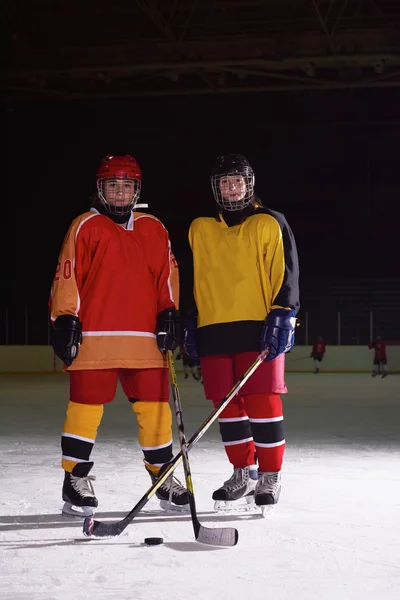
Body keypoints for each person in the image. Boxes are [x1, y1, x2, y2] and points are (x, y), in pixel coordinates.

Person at [49, 154, 188, 516]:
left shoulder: (154, 227)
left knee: (156, 410)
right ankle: (75, 478)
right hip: (95, 337)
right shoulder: (85, 225)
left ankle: (162, 479)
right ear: (101, 189)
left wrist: (169, 312)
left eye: (127, 186)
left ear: (136, 190)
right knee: (86, 407)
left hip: (144, 338)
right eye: (113, 185)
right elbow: (68, 273)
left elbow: (166, 278)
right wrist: (65, 317)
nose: (120, 192)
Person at [185, 154, 300, 511]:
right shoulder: (199, 228)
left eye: (237, 181)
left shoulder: (270, 222)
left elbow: (286, 271)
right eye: (224, 182)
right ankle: (242, 473)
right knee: (227, 407)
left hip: (258, 326)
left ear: (250, 184)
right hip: (214, 327)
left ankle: (269, 476)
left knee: (263, 403)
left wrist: (284, 314)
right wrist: (189, 317)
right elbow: (192, 277)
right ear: (215, 188)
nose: (231, 187)